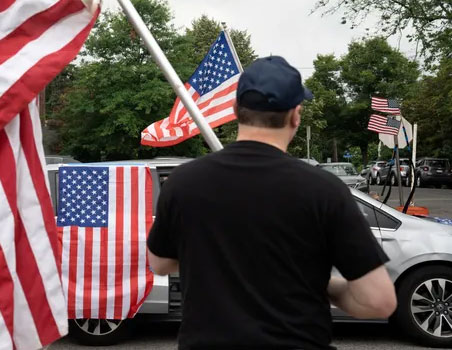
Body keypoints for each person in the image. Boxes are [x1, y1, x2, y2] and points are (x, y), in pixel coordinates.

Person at [146, 56, 397, 349]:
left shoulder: (182, 182)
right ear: (296, 116)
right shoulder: (324, 190)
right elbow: (378, 302)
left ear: (235, 110)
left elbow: (160, 264)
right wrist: (322, 285)